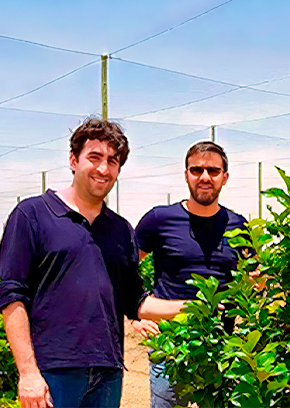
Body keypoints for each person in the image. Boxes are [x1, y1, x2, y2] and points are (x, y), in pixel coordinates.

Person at [0, 118, 144, 408]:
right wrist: (28, 373)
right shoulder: (32, 215)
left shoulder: (121, 230)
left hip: (108, 372)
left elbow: (135, 301)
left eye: (113, 161)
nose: (104, 168)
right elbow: (10, 293)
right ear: (73, 160)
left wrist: (201, 302)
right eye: (94, 157)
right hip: (52, 371)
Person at [134, 141, 253, 408]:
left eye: (213, 170)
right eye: (196, 170)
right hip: (170, 346)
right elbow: (122, 268)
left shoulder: (238, 225)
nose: (205, 177)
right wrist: (135, 315)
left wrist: (256, 283)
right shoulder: (159, 219)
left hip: (222, 346)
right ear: (186, 174)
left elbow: (256, 275)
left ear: (225, 177)